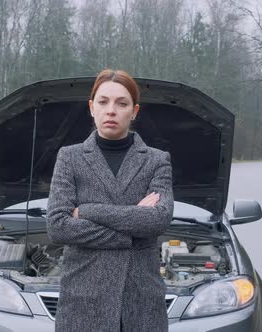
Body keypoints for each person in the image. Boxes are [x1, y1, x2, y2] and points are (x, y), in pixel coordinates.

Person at [46, 69, 174, 332]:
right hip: (83, 298)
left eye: (122, 103)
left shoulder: (156, 160)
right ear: (92, 108)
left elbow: (159, 219)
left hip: (140, 302)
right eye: (103, 102)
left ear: (134, 111)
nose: (111, 110)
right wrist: (130, 231)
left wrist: (89, 211)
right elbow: (58, 225)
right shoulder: (69, 157)